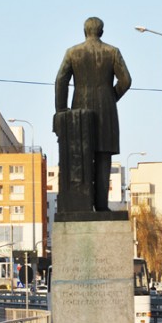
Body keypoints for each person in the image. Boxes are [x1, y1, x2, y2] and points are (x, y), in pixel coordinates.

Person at [55, 16, 131, 211]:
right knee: (104, 156)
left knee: (82, 156)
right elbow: (126, 81)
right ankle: (102, 206)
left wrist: (62, 111)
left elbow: (61, 81)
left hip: (80, 110)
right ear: (102, 32)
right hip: (107, 110)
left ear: (84, 31)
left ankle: (84, 205)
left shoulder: (73, 52)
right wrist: (111, 96)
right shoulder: (112, 52)